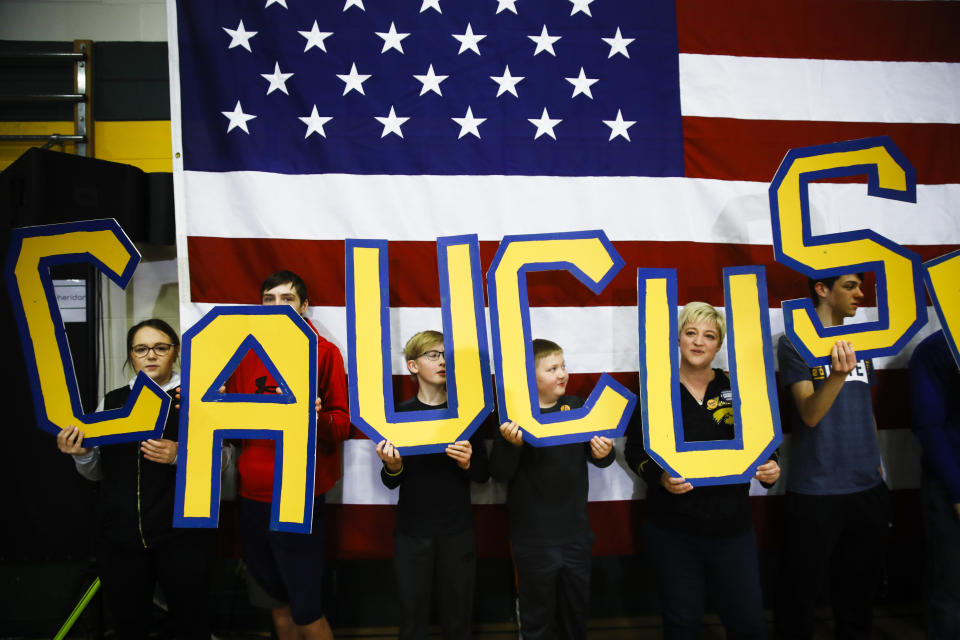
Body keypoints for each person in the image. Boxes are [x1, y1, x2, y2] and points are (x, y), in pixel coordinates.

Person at [625, 302, 780, 639]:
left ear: (719, 345)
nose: (698, 342)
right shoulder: (655, 390)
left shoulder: (738, 387)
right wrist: (660, 478)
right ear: (678, 339)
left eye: (708, 336)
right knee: (682, 622)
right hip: (672, 528)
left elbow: (766, 442)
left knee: (748, 623)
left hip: (732, 527)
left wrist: (772, 465)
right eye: (690, 333)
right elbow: (634, 449)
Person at [56, 319, 215, 639]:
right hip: (121, 538)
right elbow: (96, 471)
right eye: (141, 349)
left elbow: (224, 461)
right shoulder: (112, 401)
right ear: (131, 355)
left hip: (182, 536)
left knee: (191, 623)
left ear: (176, 352)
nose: (151, 355)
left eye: (160, 347)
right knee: (130, 625)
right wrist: (81, 454)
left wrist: (180, 455)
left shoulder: (199, 397)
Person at [228, 270, 350, 640]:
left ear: (305, 306)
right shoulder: (242, 354)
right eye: (270, 299)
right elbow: (231, 432)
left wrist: (314, 419)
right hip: (251, 495)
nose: (278, 306)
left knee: (306, 608)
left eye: (288, 299)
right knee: (276, 606)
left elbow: (342, 425)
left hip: (300, 495)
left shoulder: (325, 353)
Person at [774, 273, 890, 640]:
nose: (860, 293)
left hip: (866, 486)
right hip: (817, 490)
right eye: (850, 286)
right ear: (822, 290)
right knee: (800, 595)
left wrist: (877, 464)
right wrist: (837, 375)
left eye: (859, 286)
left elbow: (864, 408)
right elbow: (809, 413)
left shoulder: (861, 341)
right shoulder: (794, 343)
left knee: (858, 596)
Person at [489, 338, 615, 639]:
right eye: (552, 368)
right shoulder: (513, 419)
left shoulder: (577, 407)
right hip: (533, 541)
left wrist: (603, 452)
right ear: (529, 378)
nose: (562, 374)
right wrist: (513, 445)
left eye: (563, 366)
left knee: (576, 613)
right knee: (537, 617)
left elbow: (602, 458)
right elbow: (499, 474)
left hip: (576, 536)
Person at [375, 330, 490, 639]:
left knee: (458, 620)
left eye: (446, 355)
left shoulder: (469, 414)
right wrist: (394, 466)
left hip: (457, 531)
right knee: (412, 619)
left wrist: (467, 462)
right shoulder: (398, 415)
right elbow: (388, 481)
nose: (442, 361)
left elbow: (482, 473)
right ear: (413, 366)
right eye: (433, 355)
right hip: (412, 533)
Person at [908, 329, 960, 639]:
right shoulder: (936, 349)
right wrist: (956, 491)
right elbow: (928, 426)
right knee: (952, 588)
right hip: (949, 483)